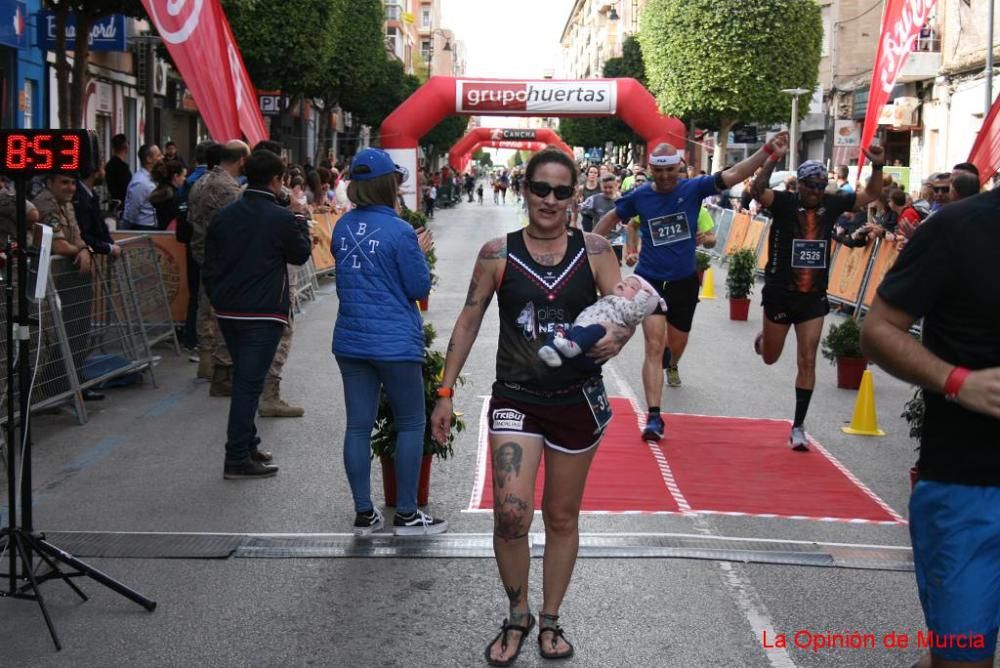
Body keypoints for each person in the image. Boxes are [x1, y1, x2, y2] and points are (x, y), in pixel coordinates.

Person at [429, 149, 631, 666]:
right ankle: (516, 614)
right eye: (541, 188)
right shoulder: (498, 253)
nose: (550, 200)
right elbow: (470, 320)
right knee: (511, 516)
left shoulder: (597, 251)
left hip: (577, 400)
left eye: (562, 191)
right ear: (524, 189)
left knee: (561, 516)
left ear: (574, 196)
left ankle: (551, 618)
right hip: (516, 398)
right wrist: (445, 393)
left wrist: (618, 338)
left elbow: (624, 309)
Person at [860, 187, 1000, 668]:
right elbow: (878, 329)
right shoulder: (956, 229)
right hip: (971, 486)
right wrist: (956, 381)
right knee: (961, 658)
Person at [594, 136, 783, 440]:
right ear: (652, 169)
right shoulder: (640, 195)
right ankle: (654, 417)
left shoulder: (693, 188)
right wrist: (587, 250)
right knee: (654, 347)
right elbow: (611, 218)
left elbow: (733, 175)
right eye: (659, 171)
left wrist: (767, 151)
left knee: (674, 346)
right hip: (650, 280)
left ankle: (671, 363)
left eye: (671, 171)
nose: (665, 177)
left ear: (679, 169)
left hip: (683, 281)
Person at [331, 148, 445, 536]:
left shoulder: (342, 227)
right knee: (412, 423)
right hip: (395, 342)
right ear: (387, 185)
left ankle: (364, 513)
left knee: (357, 427)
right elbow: (417, 286)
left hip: (350, 339)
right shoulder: (399, 230)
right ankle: (409, 514)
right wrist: (420, 250)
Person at [747, 140, 884, 450]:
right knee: (770, 358)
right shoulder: (783, 202)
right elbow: (757, 190)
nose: (816, 191)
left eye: (821, 186)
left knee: (807, 360)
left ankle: (798, 426)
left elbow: (871, 195)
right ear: (801, 184)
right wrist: (771, 159)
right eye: (811, 185)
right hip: (781, 293)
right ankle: (765, 339)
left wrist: (877, 165)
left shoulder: (832, 204)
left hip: (813, 297)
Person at [203, 150, 312, 480]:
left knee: (244, 379)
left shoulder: (225, 215)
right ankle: (236, 457)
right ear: (277, 180)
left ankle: (248, 444)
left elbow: (209, 263)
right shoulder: (280, 217)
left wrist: (219, 296)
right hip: (263, 312)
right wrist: (298, 217)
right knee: (249, 385)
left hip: (229, 309)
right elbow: (300, 253)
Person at [189, 141, 249, 391]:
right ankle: (221, 368)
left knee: (205, 308)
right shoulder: (228, 188)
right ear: (242, 161)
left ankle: (206, 361)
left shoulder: (201, 181)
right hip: (224, 256)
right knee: (223, 312)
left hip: (202, 252)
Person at [538, 274, 663, 370]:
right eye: (625, 281)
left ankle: (573, 346)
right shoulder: (611, 298)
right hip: (578, 332)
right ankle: (551, 349)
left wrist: (641, 297)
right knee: (559, 329)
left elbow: (634, 316)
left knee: (599, 328)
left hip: (590, 346)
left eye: (632, 287)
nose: (623, 284)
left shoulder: (628, 306)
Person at [73, 162, 121, 259]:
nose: (105, 173)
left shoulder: (92, 195)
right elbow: (85, 234)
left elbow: (100, 224)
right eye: (103, 169)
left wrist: (110, 244)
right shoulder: (80, 198)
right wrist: (109, 248)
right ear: (94, 173)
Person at [122, 144, 162, 230]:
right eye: (158, 155)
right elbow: (131, 213)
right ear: (149, 159)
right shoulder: (140, 183)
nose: (162, 158)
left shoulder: (154, 178)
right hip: (143, 229)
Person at [149, 160, 188, 230]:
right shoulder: (175, 197)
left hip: (161, 232)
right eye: (183, 176)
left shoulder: (160, 194)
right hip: (172, 234)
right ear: (176, 176)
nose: (185, 179)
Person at [105, 134, 131, 208]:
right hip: (122, 206)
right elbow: (127, 189)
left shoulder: (109, 165)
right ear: (126, 147)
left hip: (113, 205)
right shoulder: (123, 167)